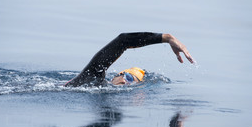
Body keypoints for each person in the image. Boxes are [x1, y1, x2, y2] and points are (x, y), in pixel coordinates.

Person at [65, 32, 194, 87]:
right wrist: (167, 38)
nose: (126, 82)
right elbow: (123, 40)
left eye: (132, 81)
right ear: (116, 76)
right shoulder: (91, 76)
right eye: (128, 77)